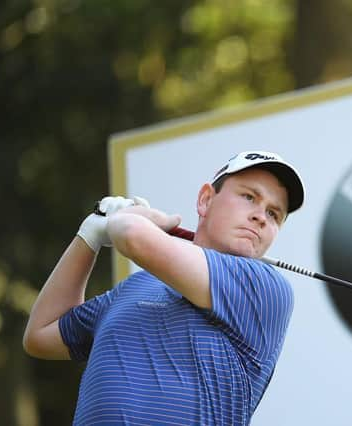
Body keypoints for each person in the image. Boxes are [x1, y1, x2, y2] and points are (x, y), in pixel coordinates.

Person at [23, 151, 305, 425]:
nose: (261, 217)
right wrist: (89, 235)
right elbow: (41, 334)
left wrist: (133, 220)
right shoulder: (136, 287)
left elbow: (132, 235)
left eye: (274, 213)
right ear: (206, 200)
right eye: (249, 197)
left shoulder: (265, 287)